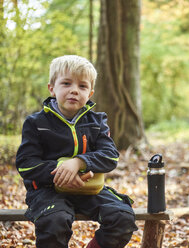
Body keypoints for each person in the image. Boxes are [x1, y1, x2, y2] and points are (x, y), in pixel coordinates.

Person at [16, 55, 138, 248]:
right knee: (54, 222)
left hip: (89, 189)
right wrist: (63, 171)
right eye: (66, 83)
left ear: (90, 93)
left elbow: (110, 155)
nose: (74, 90)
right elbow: (26, 165)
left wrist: (79, 163)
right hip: (47, 191)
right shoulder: (36, 123)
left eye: (82, 86)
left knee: (122, 217)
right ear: (52, 88)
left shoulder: (97, 122)